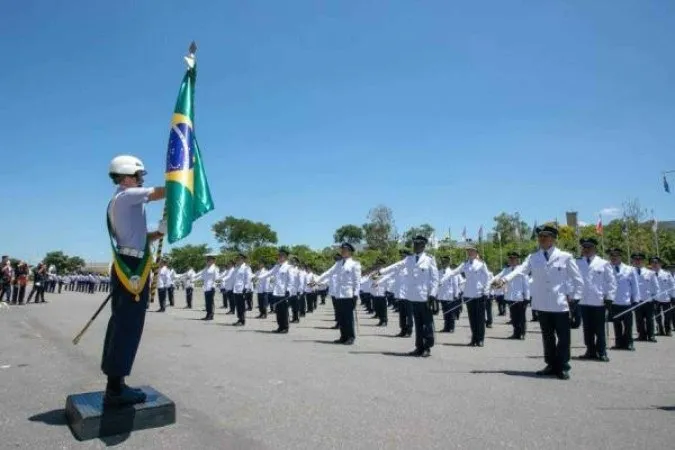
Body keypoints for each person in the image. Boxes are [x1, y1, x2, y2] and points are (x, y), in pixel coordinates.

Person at [102, 154, 165, 406]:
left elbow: (137, 238)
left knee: (124, 325)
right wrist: (181, 181)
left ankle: (116, 382)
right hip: (131, 268)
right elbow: (160, 192)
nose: (141, 180)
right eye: (139, 176)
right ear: (128, 176)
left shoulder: (124, 201)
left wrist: (158, 233)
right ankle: (115, 388)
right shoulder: (126, 195)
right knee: (127, 326)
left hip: (132, 261)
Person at [493, 225, 583, 380]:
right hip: (541, 304)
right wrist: (504, 279)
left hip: (559, 303)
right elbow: (520, 270)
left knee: (563, 337)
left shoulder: (565, 257)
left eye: (545, 237)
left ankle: (562, 366)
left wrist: (575, 299)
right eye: (540, 237)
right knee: (547, 337)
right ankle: (550, 364)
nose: (542, 239)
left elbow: (578, 280)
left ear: (553, 239)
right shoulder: (533, 257)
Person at [377, 236, 438, 356]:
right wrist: (381, 271)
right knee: (418, 324)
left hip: (425, 296)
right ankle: (419, 347)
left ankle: (427, 346)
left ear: (423, 246)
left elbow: (435, 279)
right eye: (414, 244)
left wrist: (432, 294)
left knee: (427, 323)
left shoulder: (429, 259)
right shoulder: (409, 259)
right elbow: (396, 266)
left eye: (417, 244)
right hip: (413, 296)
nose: (414, 246)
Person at [576, 238, 617, 362]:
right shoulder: (577, 263)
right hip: (583, 301)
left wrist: (609, 298)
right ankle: (590, 350)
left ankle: (602, 351)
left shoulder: (603, 263)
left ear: (595, 249)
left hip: (599, 301)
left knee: (599, 329)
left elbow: (611, 282)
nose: (587, 250)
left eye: (589, 247)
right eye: (585, 247)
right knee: (587, 328)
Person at [313, 243, 362, 345]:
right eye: (342, 250)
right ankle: (343, 336)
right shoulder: (338, 264)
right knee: (341, 316)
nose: (342, 251)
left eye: (344, 250)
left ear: (350, 252)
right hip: (339, 294)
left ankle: (350, 337)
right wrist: (317, 280)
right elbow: (328, 272)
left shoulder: (355, 264)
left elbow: (357, 281)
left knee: (348, 317)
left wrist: (356, 295)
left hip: (349, 294)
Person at [443, 245, 490, 347]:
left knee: (480, 318)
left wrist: (486, 291)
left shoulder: (481, 264)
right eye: (468, 251)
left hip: (479, 294)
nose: (469, 253)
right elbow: (454, 272)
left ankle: (480, 339)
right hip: (469, 294)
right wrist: (442, 280)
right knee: (472, 318)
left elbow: (487, 278)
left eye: (471, 251)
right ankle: (474, 338)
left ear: (476, 252)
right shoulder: (465, 264)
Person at [607, 248, 639, 351]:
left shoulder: (629, 269)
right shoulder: (607, 268)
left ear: (620, 257)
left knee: (628, 325)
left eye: (616, 255)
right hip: (613, 301)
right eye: (612, 256)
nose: (613, 258)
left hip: (626, 302)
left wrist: (636, 300)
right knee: (617, 325)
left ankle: (629, 343)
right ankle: (619, 343)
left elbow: (635, 286)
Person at [256, 248, 293, 333]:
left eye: (281, 256)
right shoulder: (276, 267)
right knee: (278, 311)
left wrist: (288, 290)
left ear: (286, 257)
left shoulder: (288, 267)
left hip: (284, 292)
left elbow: (291, 280)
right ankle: (280, 327)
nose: (279, 257)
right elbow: (268, 273)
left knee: (284, 311)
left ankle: (285, 328)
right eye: (279, 256)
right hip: (276, 292)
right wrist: (257, 277)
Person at [496, 252, 530, 339]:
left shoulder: (522, 269)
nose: (511, 260)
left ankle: (522, 333)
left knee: (521, 317)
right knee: (514, 316)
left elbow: (526, 284)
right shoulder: (506, 270)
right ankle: (516, 333)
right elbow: (500, 279)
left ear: (517, 260)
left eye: (513, 259)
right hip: (510, 297)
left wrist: (527, 297)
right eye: (510, 259)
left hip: (520, 297)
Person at [632, 252, 660, 342]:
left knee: (650, 319)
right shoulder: (630, 272)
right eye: (636, 259)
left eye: (639, 259)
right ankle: (642, 335)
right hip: (637, 300)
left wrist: (655, 298)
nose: (638, 261)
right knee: (639, 319)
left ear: (643, 261)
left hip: (648, 300)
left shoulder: (650, 272)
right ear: (633, 261)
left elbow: (656, 287)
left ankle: (651, 335)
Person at [651, 257, 675, 337]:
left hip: (666, 298)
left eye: (656, 262)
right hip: (655, 298)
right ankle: (660, 330)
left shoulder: (666, 274)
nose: (654, 264)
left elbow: (672, 285)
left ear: (660, 264)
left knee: (667, 315)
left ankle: (668, 330)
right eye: (653, 262)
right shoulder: (649, 274)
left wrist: (673, 296)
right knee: (657, 316)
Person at [194, 255, 219, 320]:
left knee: (210, 302)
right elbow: (202, 277)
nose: (207, 261)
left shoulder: (215, 268)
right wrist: (194, 280)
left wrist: (214, 286)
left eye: (209, 260)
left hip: (211, 287)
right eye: (207, 260)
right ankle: (208, 314)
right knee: (207, 302)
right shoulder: (206, 268)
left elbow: (217, 278)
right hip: (206, 287)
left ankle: (211, 315)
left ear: (213, 261)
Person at [231, 253, 253, 326]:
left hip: (242, 289)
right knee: (238, 305)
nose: (238, 260)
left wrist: (246, 288)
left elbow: (248, 279)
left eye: (240, 258)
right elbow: (233, 279)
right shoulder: (236, 268)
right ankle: (239, 319)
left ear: (243, 259)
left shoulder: (247, 268)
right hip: (236, 289)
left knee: (242, 306)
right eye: (237, 258)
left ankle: (242, 320)